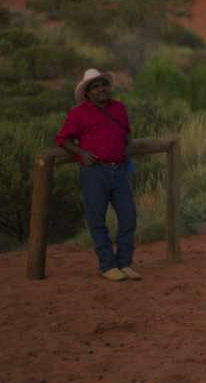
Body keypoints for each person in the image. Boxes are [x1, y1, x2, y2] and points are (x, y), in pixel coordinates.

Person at [55, 68, 139, 281]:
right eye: (95, 86)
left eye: (103, 84)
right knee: (97, 220)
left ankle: (125, 263)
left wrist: (126, 150)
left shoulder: (119, 108)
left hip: (119, 170)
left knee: (129, 216)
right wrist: (81, 153)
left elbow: (127, 133)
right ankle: (107, 266)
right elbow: (63, 139)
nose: (101, 89)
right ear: (87, 93)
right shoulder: (78, 113)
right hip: (94, 172)